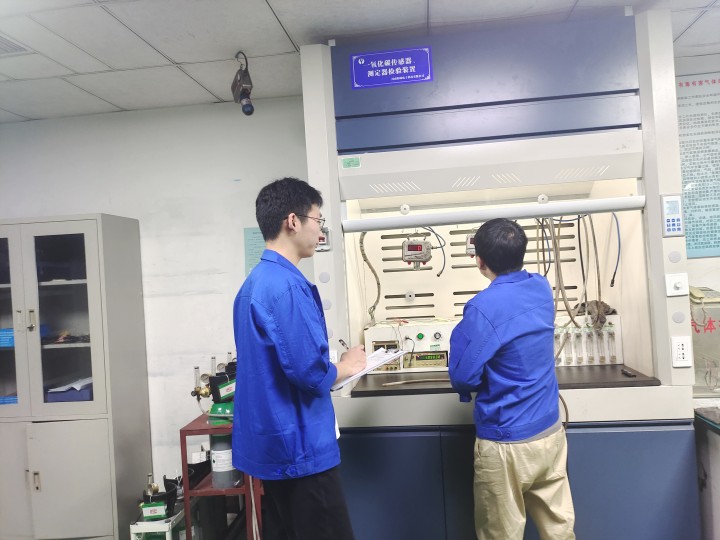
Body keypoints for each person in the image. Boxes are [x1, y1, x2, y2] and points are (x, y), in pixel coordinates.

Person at [231, 177, 366, 540]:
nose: (321, 233)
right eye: (318, 221)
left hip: (275, 447)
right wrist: (349, 365)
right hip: (301, 451)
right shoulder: (286, 287)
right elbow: (310, 373)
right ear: (293, 221)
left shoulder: (254, 283)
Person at [449, 218, 575, 540]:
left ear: (479, 261)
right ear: (522, 253)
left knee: (501, 534)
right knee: (559, 529)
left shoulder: (482, 308)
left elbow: (463, 377)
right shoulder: (541, 287)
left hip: (506, 443)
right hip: (549, 433)